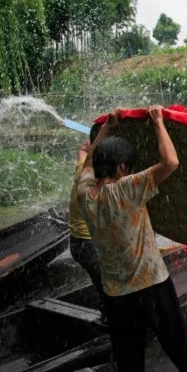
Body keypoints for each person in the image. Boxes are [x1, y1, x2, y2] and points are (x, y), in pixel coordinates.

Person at [76, 106, 187, 372]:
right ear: (122, 168)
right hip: (152, 287)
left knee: (129, 363)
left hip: (116, 294)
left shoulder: (84, 194)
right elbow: (171, 162)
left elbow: (86, 161)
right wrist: (158, 122)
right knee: (181, 350)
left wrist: (105, 130)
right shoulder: (128, 189)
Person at [69, 124, 105, 315]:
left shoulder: (82, 173)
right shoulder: (99, 184)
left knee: (102, 284)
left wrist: (89, 146)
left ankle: (107, 312)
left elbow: (83, 154)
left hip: (77, 243)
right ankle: (112, 318)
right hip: (90, 245)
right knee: (108, 287)